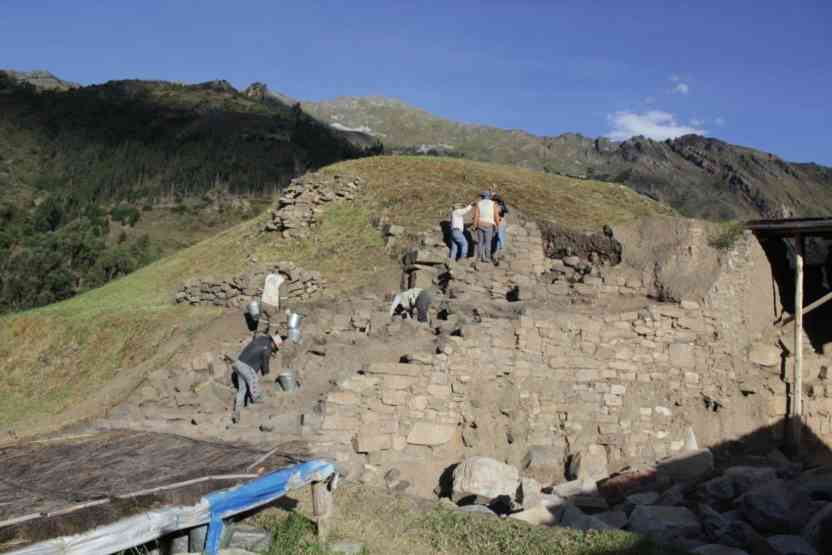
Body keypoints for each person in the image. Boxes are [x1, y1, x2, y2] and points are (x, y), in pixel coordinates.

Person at [228, 333, 282, 423]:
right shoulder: (267, 349)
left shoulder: (261, 339)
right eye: (275, 348)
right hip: (246, 366)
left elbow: (257, 351)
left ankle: (237, 412)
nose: (274, 350)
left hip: (238, 363)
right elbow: (265, 365)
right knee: (253, 378)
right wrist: (267, 376)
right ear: (273, 343)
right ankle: (256, 399)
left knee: (242, 390)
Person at [472, 191, 501, 263]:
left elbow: (476, 216)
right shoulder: (493, 204)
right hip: (489, 225)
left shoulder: (479, 203)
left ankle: (479, 257)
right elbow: (496, 216)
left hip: (480, 224)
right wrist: (498, 225)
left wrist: (474, 226)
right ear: (489, 197)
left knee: (480, 242)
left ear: (482, 197)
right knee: (488, 242)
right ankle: (487, 258)